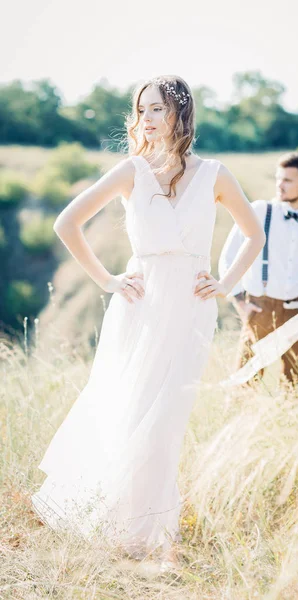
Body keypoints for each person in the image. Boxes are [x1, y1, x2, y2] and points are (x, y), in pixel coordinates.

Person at [31, 75, 265, 569]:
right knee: (129, 409)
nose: (146, 120)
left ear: (180, 112)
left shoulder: (216, 174)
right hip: (139, 302)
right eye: (141, 111)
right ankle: (118, 528)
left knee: (165, 422)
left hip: (191, 308)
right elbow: (66, 222)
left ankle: (150, 534)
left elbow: (253, 235)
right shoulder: (130, 171)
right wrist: (108, 279)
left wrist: (225, 284)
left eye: (156, 109)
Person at [218, 152, 298, 389]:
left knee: (294, 384)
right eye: (278, 179)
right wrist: (240, 302)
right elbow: (229, 257)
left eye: (288, 180)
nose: (280, 185)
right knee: (245, 381)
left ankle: (284, 425)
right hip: (260, 306)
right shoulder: (260, 211)